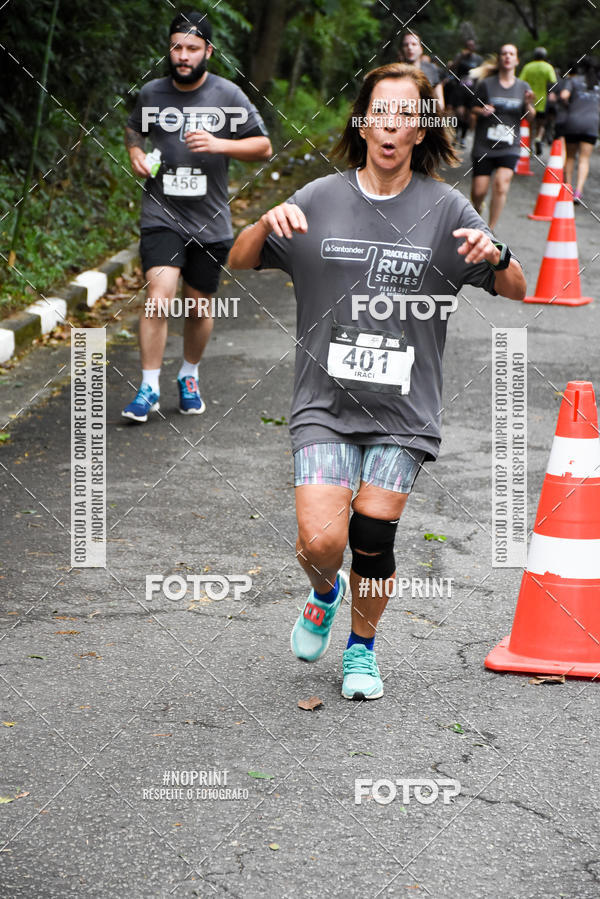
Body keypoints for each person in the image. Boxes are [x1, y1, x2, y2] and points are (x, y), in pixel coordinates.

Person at [229, 63, 525, 701]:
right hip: (324, 403)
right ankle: (322, 592)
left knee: (370, 535)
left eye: (405, 116)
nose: (390, 127)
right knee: (321, 540)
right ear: (362, 122)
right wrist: (264, 221)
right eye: (379, 114)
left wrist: (496, 255)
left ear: (421, 131)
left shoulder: (446, 209)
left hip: (404, 408)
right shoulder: (317, 198)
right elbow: (239, 258)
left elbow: (517, 287)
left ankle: (362, 651)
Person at [122, 9, 272, 422]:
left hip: (210, 220)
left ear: (208, 50)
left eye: (191, 48)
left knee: (199, 306)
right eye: (176, 47)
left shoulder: (228, 96)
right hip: (161, 214)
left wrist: (220, 144)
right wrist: (136, 152)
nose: (183, 55)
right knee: (159, 295)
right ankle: (148, 385)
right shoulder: (152, 93)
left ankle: (189, 375)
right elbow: (134, 128)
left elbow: (263, 147)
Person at [470, 44, 535, 232]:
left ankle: (490, 229)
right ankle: (477, 209)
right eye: (504, 54)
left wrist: (529, 104)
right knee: (479, 192)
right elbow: (472, 108)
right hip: (484, 145)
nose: (507, 57)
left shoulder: (523, 87)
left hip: (510, 145)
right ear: (499, 59)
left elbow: (530, 117)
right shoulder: (486, 84)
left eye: (511, 54)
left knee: (501, 184)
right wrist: (482, 110)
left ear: (517, 60)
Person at [561, 57, 600, 204]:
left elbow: (564, 96)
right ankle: (578, 191)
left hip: (573, 122)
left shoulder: (574, 81)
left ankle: (568, 189)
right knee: (584, 159)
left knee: (570, 157)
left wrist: (568, 105)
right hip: (591, 124)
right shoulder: (597, 84)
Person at [519, 47, 558, 155]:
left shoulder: (528, 66)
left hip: (530, 100)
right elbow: (553, 82)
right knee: (541, 123)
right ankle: (539, 138)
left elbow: (521, 81)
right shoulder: (548, 67)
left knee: (530, 123)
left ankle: (529, 147)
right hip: (543, 100)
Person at [399, 32, 445, 110]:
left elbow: (440, 102)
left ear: (421, 48)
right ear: (402, 49)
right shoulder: (396, 71)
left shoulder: (431, 69)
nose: (410, 47)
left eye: (414, 44)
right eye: (406, 45)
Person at [452, 38, 483, 146]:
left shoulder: (478, 59)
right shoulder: (460, 56)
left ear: (474, 47)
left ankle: (463, 137)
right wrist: (461, 57)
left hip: (472, 90)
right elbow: (451, 68)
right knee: (459, 113)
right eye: (468, 46)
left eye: (472, 46)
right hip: (460, 88)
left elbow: (482, 73)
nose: (470, 48)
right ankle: (456, 135)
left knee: (467, 115)